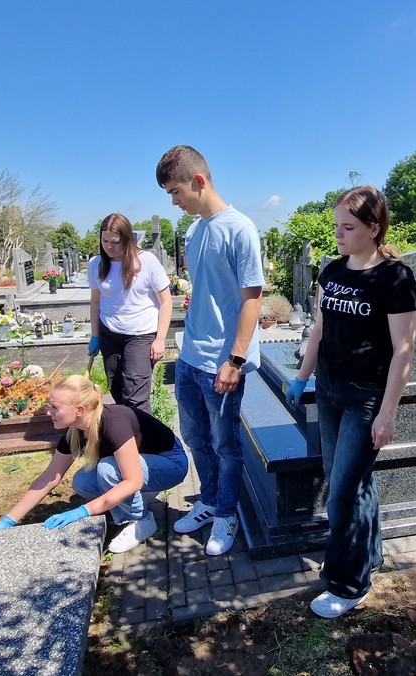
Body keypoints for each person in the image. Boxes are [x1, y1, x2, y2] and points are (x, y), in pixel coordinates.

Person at [285, 186, 416, 619]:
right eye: (337, 226)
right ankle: (368, 555)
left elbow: (403, 351)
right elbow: (319, 329)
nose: (338, 235)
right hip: (329, 389)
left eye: (348, 227)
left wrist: (387, 413)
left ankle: (348, 584)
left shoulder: (395, 279)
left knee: (341, 493)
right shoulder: (333, 271)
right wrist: (302, 377)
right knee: (349, 480)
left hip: (366, 398)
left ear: (374, 228)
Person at [156, 145, 264, 556]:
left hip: (221, 361)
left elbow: (252, 298)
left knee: (226, 445)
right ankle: (210, 500)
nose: (174, 201)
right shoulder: (194, 231)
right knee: (196, 439)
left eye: (175, 191)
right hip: (189, 357)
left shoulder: (240, 229)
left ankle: (226, 514)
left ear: (198, 181)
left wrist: (235, 359)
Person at [0, 374, 188, 554]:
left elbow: (133, 481)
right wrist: (8, 520)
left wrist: (83, 511)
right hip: (142, 466)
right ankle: (135, 501)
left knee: (107, 469)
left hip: (171, 463)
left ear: (79, 410)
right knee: (83, 482)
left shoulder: (114, 424)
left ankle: (140, 521)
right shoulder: (76, 431)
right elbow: (49, 477)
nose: (48, 412)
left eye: (55, 407)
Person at [88, 213, 172, 414]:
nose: (109, 246)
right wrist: (95, 335)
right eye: (105, 241)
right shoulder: (96, 264)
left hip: (141, 335)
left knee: (136, 396)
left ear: (127, 239)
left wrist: (160, 339)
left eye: (115, 242)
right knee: (117, 390)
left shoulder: (146, 261)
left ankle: (145, 433)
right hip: (110, 333)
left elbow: (166, 301)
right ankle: (127, 430)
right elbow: (95, 301)